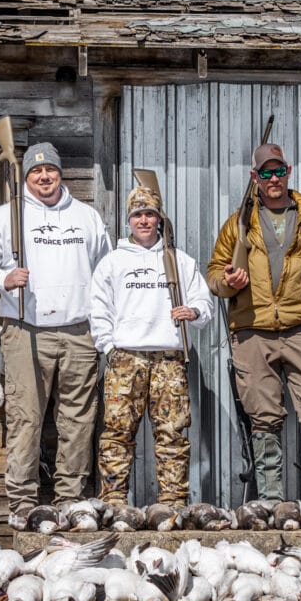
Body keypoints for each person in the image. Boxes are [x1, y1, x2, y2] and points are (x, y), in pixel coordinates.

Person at [0, 141, 111, 530]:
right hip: (24, 330)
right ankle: (23, 502)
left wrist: (102, 328)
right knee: (26, 418)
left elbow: (105, 274)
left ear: (60, 173)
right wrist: (3, 278)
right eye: (36, 172)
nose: (44, 177)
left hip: (80, 332)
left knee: (78, 420)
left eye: (50, 171)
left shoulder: (86, 218)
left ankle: (69, 499)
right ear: (26, 176)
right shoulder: (5, 217)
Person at [206, 142, 301, 502]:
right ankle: (271, 505)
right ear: (255, 178)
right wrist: (228, 283)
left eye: (278, 171)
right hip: (253, 332)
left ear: (288, 173)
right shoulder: (238, 224)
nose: (273, 179)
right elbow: (213, 275)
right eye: (265, 173)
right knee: (263, 419)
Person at [89, 185, 213, 507]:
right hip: (126, 360)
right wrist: (110, 350)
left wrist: (193, 311)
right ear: (129, 221)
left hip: (169, 360)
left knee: (172, 434)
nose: (144, 220)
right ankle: (115, 500)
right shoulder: (113, 262)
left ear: (159, 219)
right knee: (117, 432)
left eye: (150, 214)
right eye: (137, 215)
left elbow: (204, 303)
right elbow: (98, 310)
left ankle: (173, 502)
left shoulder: (179, 261)